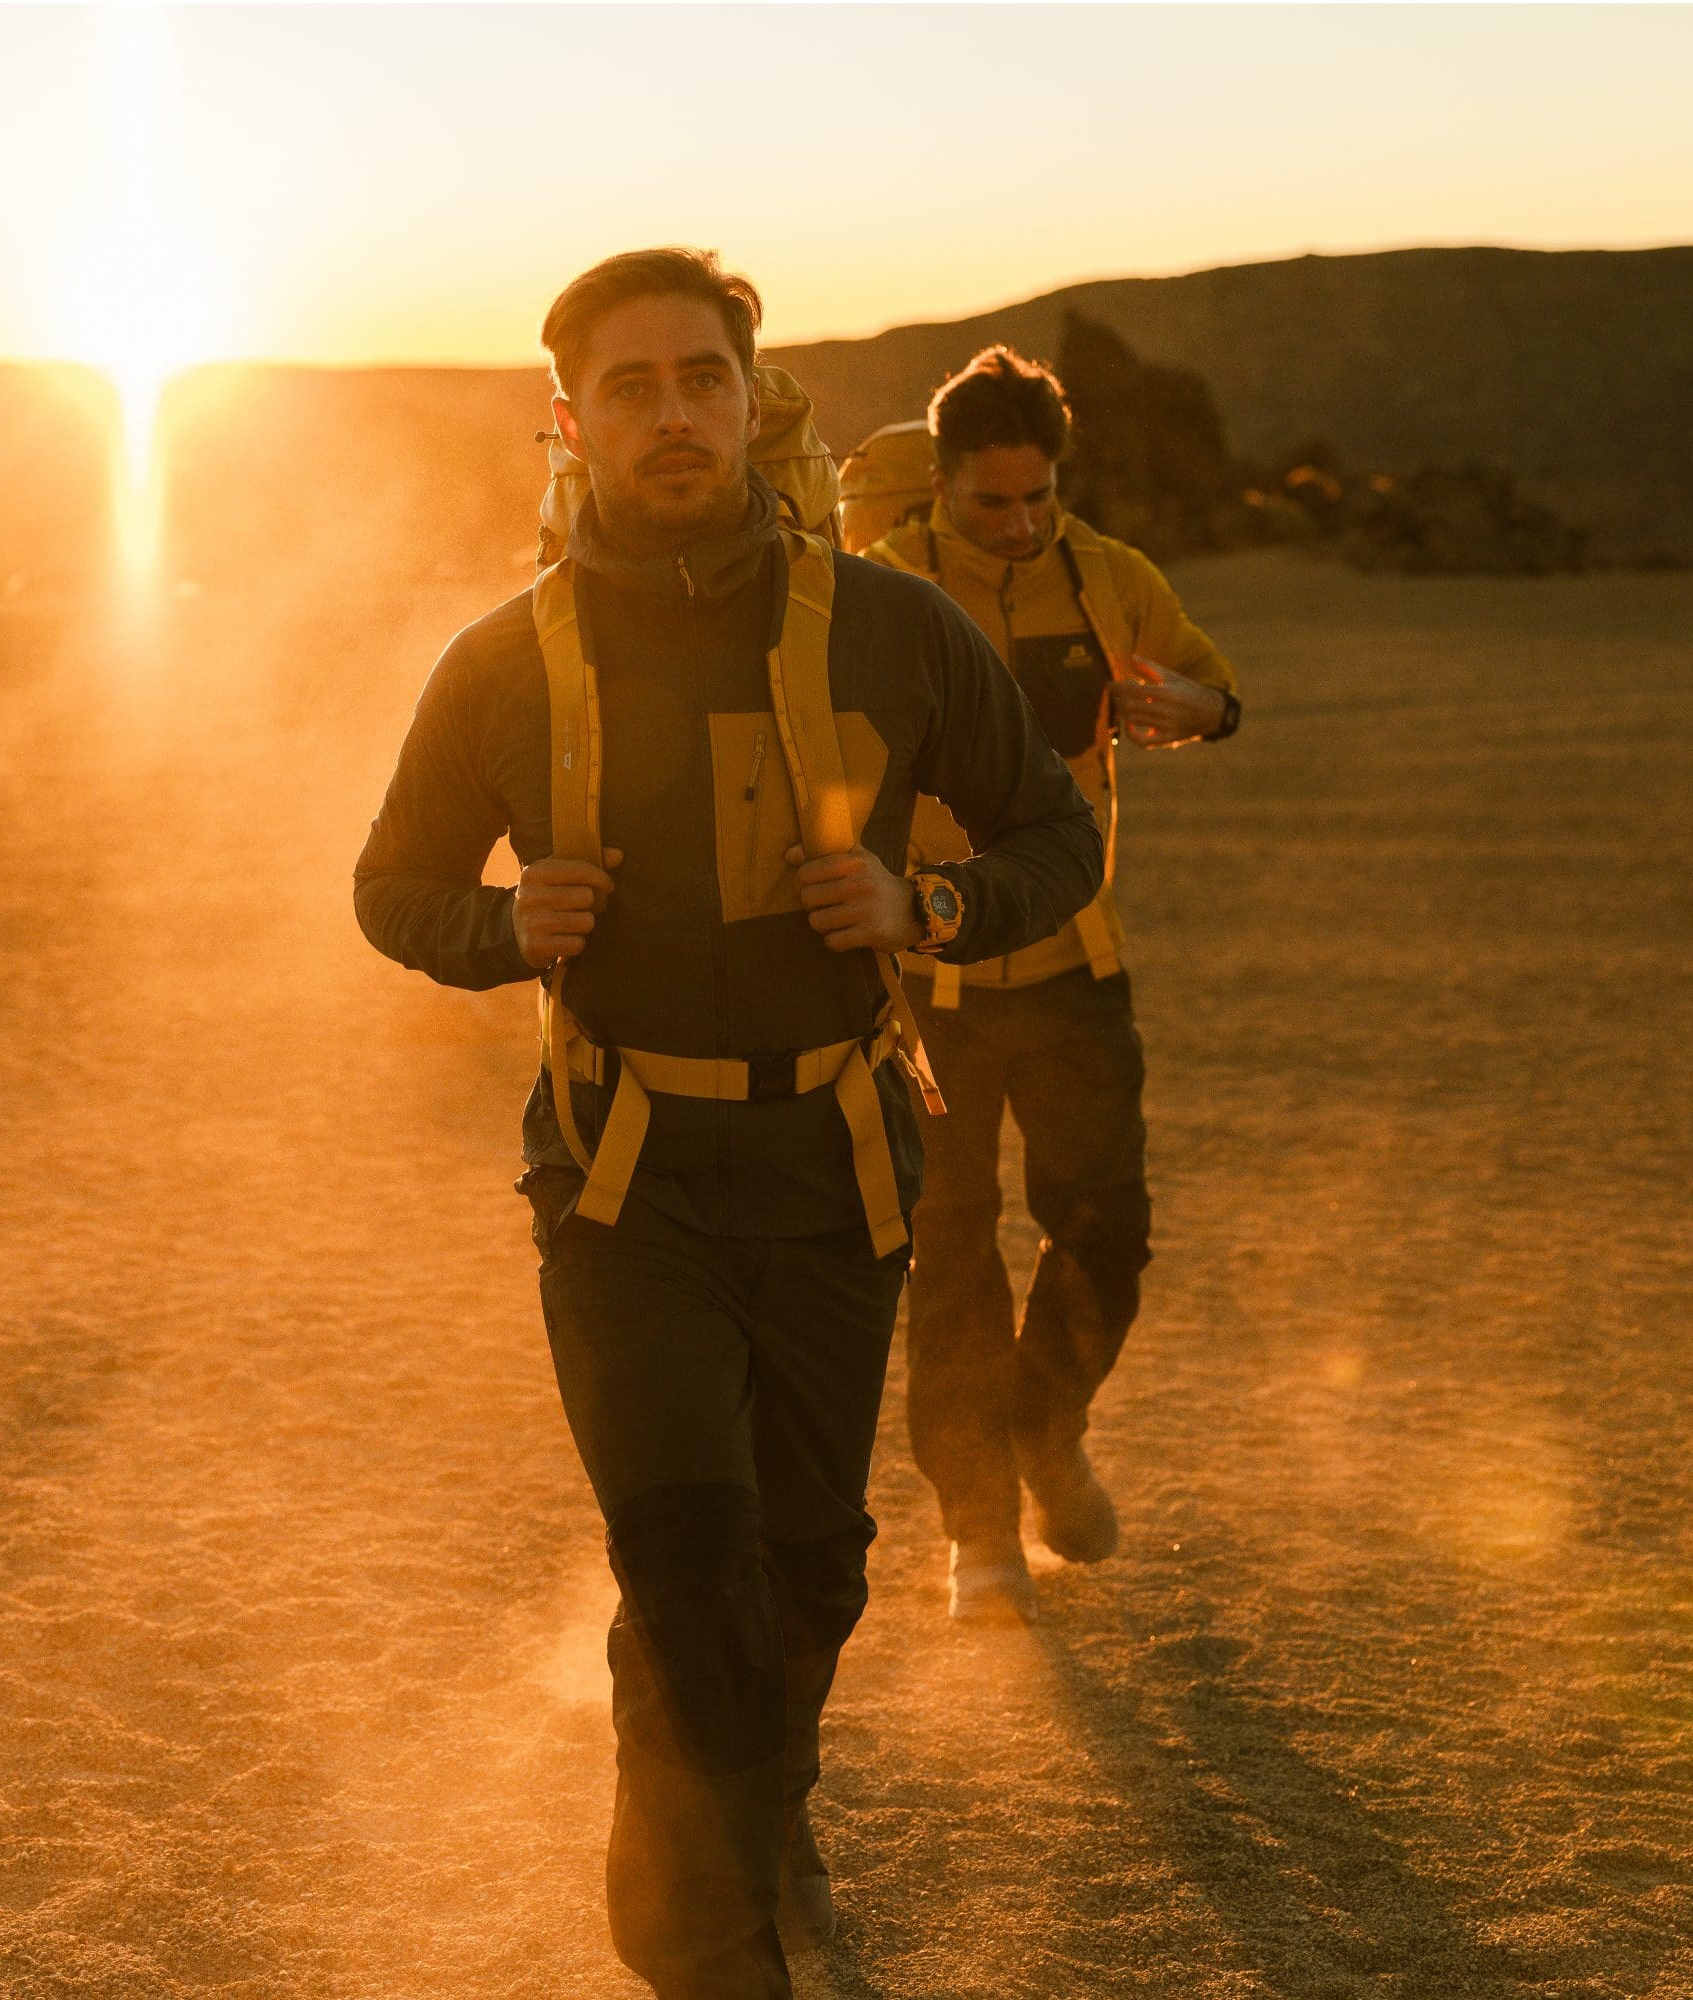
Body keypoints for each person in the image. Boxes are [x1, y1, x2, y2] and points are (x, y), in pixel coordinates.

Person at [353, 254, 1102, 2000]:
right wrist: (498, 928)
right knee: (688, 1577)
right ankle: (699, 1949)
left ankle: (770, 1819)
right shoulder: (501, 666)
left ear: (754, 404)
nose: (673, 414)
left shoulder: (897, 631)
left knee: (808, 1572)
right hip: (621, 1184)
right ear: (571, 421)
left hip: (838, 1165)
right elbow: (391, 886)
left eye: (703, 379)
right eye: (631, 386)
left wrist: (930, 904)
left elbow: (1053, 837)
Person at [859, 346, 1241, 1626]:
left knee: (1106, 1234)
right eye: (990, 504)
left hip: (1080, 965)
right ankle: (978, 1533)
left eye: (1036, 500)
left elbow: (1208, 685)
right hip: (928, 982)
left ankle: (1044, 1431)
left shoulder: (1111, 577)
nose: (1017, 526)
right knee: (949, 1255)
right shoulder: (882, 587)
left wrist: (1196, 705)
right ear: (940, 485)